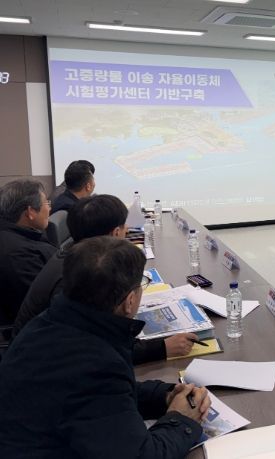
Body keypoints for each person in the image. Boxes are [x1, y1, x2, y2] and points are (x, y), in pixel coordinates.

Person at [0, 237, 210, 458]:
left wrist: (162, 396)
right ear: (130, 301)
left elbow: (102, 400)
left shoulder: (52, 322)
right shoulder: (95, 365)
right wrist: (181, 419)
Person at [14, 194, 197, 363]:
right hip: (44, 363)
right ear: (116, 233)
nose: (127, 230)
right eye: (124, 226)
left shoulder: (77, 258)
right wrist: (161, 348)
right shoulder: (79, 276)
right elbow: (92, 348)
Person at [0, 180, 56, 325]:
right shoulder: (19, 256)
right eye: (47, 203)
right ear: (30, 212)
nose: (50, 208)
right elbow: (44, 305)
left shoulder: (19, 236)